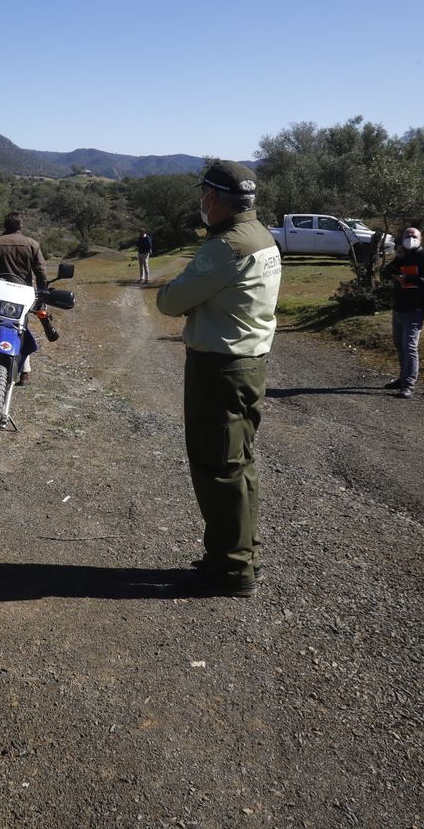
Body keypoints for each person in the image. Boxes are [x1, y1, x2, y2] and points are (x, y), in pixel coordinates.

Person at [154, 161, 282, 598]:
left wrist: (181, 292)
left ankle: (231, 570)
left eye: (202, 195)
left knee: (217, 468)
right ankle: (239, 552)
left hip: (220, 368)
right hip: (249, 364)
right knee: (238, 464)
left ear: (212, 197)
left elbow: (171, 301)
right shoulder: (262, 236)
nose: (201, 203)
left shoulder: (224, 246)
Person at [0, 213, 49, 385]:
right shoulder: (32, 244)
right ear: (20, 226)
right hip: (23, 295)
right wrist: (42, 294)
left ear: (5, 225)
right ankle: (25, 372)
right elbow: (41, 272)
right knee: (21, 328)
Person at [381, 225, 424, 399]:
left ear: (420, 239)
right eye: (407, 235)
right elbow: (385, 274)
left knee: (410, 346)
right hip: (399, 307)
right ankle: (402, 379)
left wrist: (409, 278)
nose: (410, 237)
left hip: (416, 309)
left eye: (413, 235)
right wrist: (397, 259)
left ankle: (408, 385)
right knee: (400, 345)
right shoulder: (402, 256)